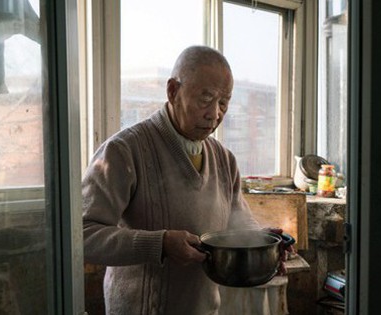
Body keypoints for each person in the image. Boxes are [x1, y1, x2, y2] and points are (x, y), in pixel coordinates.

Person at [82, 45, 285, 315]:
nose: (215, 114)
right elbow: (82, 237)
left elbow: (238, 220)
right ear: (173, 91)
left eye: (224, 102)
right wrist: (160, 244)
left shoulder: (225, 160)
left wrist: (261, 241)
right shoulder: (124, 151)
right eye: (205, 98)